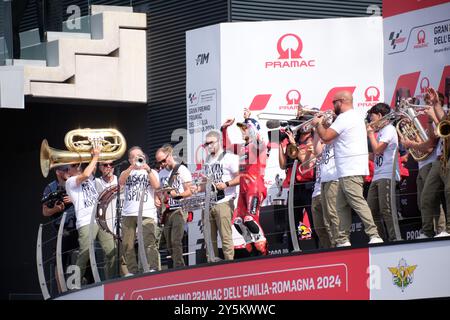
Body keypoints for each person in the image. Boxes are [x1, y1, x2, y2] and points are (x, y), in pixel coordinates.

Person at [311, 90, 383, 246]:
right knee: (340, 206)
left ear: (341, 101)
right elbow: (326, 144)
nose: (332, 106)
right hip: (347, 170)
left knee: (357, 202)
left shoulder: (345, 118)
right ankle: (343, 240)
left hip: (350, 170)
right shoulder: (355, 117)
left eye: (334, 102)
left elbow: (326, 137)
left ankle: (374, 234)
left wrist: (318, 125)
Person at [65, 144, 117, 285]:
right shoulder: (70, 182)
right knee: (84, 253)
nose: (77, 167)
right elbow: (86, 173)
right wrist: (95, 156)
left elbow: (91, 170)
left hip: (100, 220)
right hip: (86, 221)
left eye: (78, 165)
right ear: (68, 172)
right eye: (74, 166)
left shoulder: (89, 177)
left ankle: (111, 282)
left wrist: (93, 146)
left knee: (112, 251)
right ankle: (73, 284)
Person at [221, 108, 269, 255]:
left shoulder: (259, 146)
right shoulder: (242, 148)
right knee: (237, 220)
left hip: (255, 186)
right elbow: (226, 147)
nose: (243, 131)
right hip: (243, 187)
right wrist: (224, 129)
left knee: (249, 218)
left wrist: (249, 119)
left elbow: (259, 139)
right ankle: (249, 241)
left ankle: (263, 245)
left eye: (245, 128)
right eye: (242, 128)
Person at [403, 88, 450, 238]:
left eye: (431, 103)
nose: (427, 105)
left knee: (448, 195)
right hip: (439, 160)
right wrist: (433, 112)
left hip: (446, 158)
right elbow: (442, 126)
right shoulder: (442, 112)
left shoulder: (443, 112)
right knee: (427, 196)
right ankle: (428, 232)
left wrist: (433, 116)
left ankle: (447, 230)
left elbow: (441, 132)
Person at [118, 147, 161, 274]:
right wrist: (131, 167)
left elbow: (156, 186)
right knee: (128, 244)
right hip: (128, 213)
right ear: (130, 159)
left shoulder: (151, 171)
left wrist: (147, 169)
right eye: (134, 156)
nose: (137, 158)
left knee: (149, 242)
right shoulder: (126, 172)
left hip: (146, 212)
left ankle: (152, 268)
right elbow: (121, 182)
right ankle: (132, 271)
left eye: (139, 155)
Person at [199, 130, 240, 261]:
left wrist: (226, 184)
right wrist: (197, 188)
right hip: (208, 202)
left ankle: (229, 266)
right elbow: (206, 183)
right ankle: (212, 266)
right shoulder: (207, 160)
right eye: (206, 144)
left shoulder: (230, 157)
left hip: (224, 201)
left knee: (225, 236)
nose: (208, 146)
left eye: (211, 143)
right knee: (209, 240)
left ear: (219, 142)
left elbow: (241, 177)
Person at [366, 103, 399, 242]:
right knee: (371, 210)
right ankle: (380, 238)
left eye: (372, 118)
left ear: (380, 116)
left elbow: (378, 149)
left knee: (386, 209)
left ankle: (394, 238)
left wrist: (370, 134)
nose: (371, 122)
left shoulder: (389, 129)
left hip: (387, 175)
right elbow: (376, 155)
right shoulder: (380, 132)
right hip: (377, 175)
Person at [155, 145, 193, 268]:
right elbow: (159, 192)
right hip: (167, 211)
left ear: (170, 155)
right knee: (169, 244)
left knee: (176, 240)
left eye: (163, 161)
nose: (161, 164)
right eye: (159, 162)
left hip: (180, 209)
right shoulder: (161, 173)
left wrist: (177, 195)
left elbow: (190, 191)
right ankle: (176, 265)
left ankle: (179, 267)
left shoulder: (182, 169)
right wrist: (157, 199)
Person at [41, 164, 78, 292]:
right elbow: (45, 211)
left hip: (79, 226)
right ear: (58, 172)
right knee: (60, 262)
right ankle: (62, 293)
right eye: (65, 169)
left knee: (82, 260)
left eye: (69, 169)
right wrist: (56, 209)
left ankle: (82, 289)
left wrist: (73, 200)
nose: (69, 171)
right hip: (62, 230)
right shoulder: (50, 187)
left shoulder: (74, 181)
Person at [312, 128, 340, 248]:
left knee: (331, 220)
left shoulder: (336, 143)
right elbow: (316, 150)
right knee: (319, 228)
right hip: (317, 190)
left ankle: (338, 245)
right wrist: (317, 129)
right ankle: (328, 249)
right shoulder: (323, 148)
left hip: (331, 184)